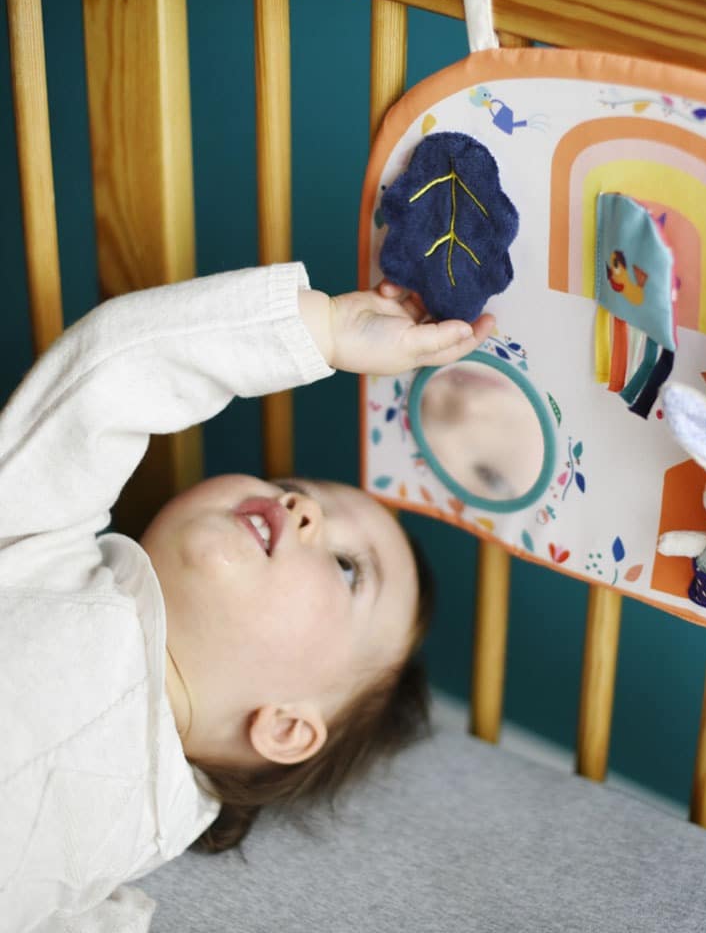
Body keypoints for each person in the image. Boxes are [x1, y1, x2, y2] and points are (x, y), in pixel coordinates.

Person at [0, 262, 494, 933]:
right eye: (295, 484)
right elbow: (113, 374)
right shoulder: (37, 541)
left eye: (350, 568)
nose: (301, 507)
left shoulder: (140, 838)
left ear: (286, 726)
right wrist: (322, 327)